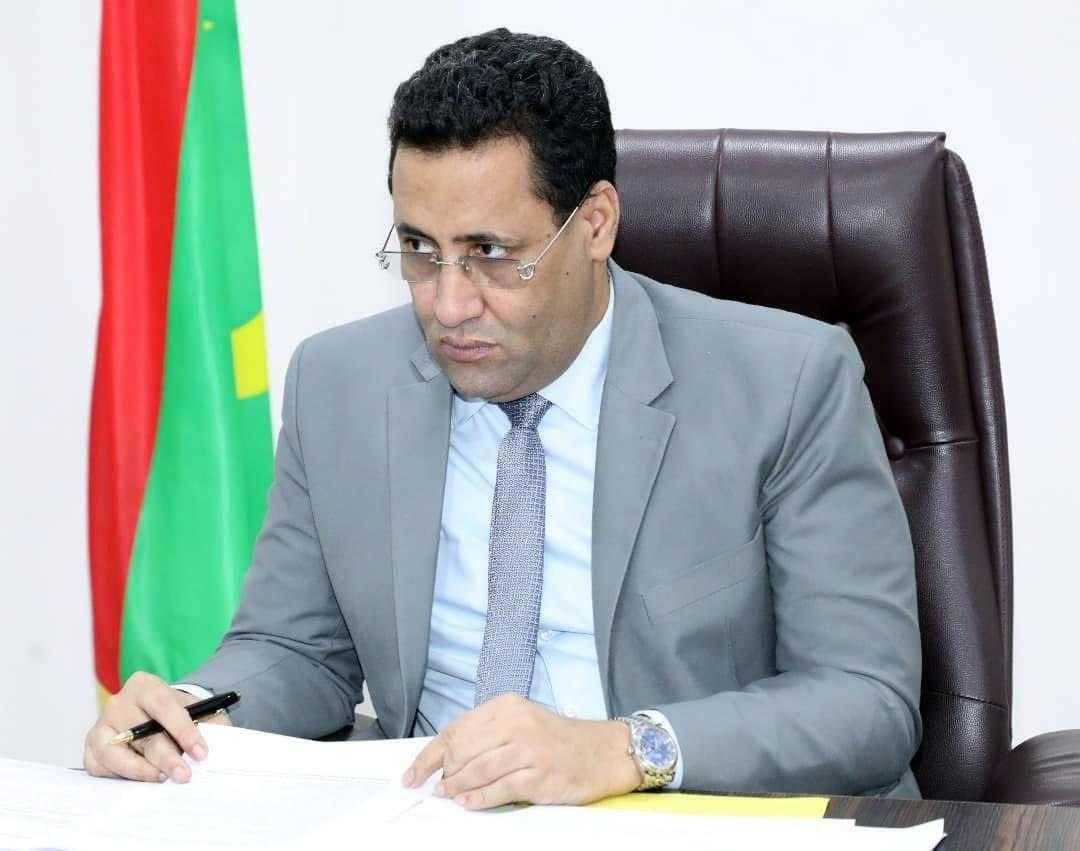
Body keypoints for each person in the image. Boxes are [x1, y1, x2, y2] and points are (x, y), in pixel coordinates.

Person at [84, 28, 923, 808]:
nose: (448, 304)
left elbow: (866, 699)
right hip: (432, 815)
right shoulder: (338, 384)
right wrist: (189, 713)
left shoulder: (787, 383)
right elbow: (296, 649)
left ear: (594, 225)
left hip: (682, 817)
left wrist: (622, 749)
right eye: (420, 250)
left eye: (489, 254)